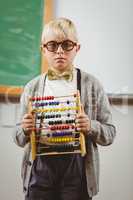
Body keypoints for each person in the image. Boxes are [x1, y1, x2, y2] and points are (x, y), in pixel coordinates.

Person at [13, 18, 116, 200]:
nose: (59, 51)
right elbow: (18, 138)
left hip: (77, 166)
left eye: (67, 45)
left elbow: (110, 134)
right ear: (43, 49)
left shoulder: (92, 85)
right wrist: (24, 129)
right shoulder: (32, 87)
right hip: (40, 166)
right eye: (52, 45)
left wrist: (90, 126)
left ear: (77, 48)